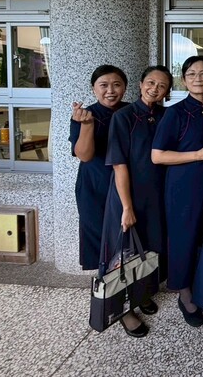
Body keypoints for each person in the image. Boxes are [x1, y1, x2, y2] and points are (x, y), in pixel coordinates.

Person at [101, 65, 173, 338]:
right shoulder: (124, 116)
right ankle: (122, 310)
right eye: (151, 82)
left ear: (167, 92)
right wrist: (127, 207)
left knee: (149, 249)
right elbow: (119, 165)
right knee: (122, 253)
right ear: (141, 84)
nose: (155, 88)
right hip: (127, 197)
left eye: (162, 85)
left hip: (156, 197)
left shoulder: (165, 116)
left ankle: (142, 295)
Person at [151, 55, 203, 328]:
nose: (198, 78)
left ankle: (201, 283)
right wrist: (197, 154)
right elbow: (158, 156)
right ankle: (184, 293)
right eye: (192, 74)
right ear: (183, 80)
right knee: (183, 239)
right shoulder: (175, 112)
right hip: (182, 186)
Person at [69, 65, 128, 271]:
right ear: (93, 88)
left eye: (116, 85)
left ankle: (133, 284)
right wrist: (87, 125)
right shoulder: (84, 115)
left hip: (127, 183)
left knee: (127, 235)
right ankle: (105, 283)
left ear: (125, 87)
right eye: (103, 85)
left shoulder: (132, 111)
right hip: (95, 184)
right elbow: (84, 155)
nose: (110, 91)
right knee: (98, 236)